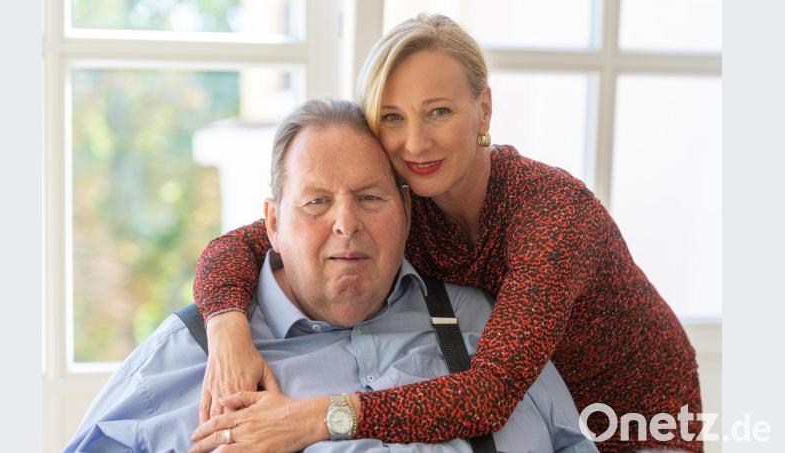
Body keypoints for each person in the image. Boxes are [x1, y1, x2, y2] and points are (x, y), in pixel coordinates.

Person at [193, 14, 703, 453]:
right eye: (393, 117)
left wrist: (309, 419)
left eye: (439, 111)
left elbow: (485, 396)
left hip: (637, 420)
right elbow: (240, 244)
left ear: (483, 109)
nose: (416, 141)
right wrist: (226, 329)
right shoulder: (408, 205)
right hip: (540, 412)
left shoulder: (553, 215)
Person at [64, 99, 596, 453]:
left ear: (408, 214)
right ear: (271, 223)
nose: (346, 224)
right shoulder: (186, 359)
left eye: (369, 198)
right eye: (316, 202)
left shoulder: (487, 326)